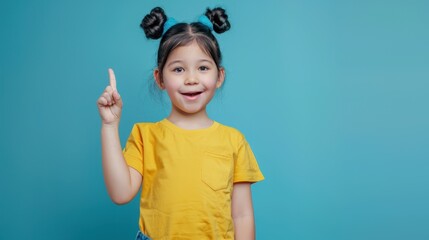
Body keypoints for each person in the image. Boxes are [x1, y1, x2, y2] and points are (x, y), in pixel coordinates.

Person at [97, 6, 264, 240]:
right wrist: (109, 126)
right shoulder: (145, 135)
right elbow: (120, 193)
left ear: (219, 76)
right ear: (160, 78)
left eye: (203, 68)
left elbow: (242, 215)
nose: (191, 79)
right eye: (178, 69)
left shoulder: (234, 141)